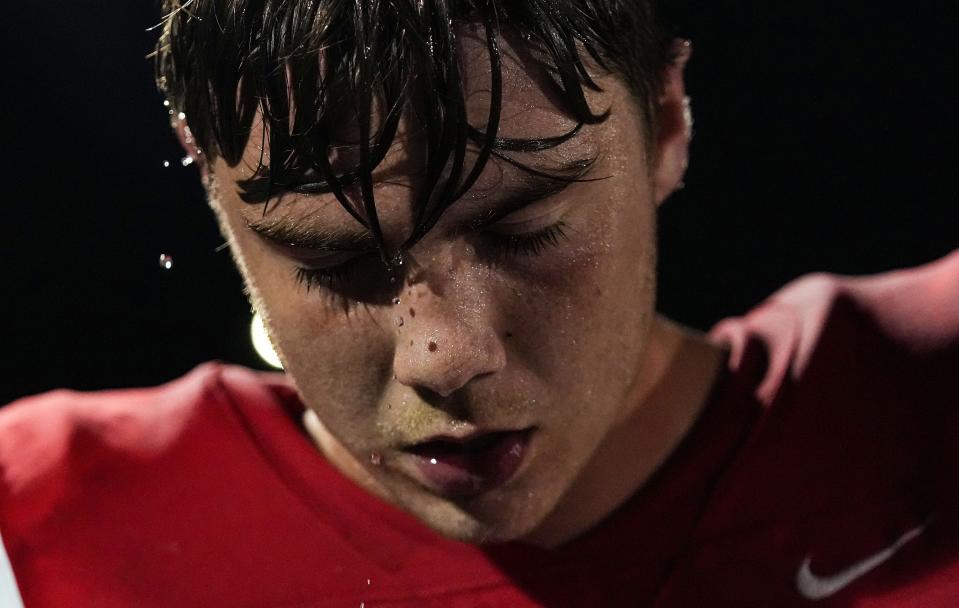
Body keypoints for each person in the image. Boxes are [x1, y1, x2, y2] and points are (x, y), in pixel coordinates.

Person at [1, 1, 957, 606]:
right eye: (334, 261)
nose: (443, 356)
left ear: (666, 122)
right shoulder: (37, 525)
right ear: (214, 188)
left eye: (521, 230)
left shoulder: (931, 400)